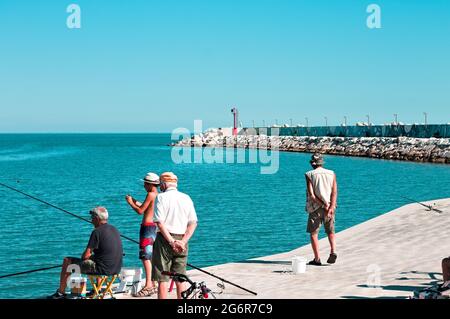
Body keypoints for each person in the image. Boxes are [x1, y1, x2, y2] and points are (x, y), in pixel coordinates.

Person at [48, 207, 123, 299]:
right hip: (116, 268)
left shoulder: (96, 232)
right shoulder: (114, 229)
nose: (91, 220)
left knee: (67, 261)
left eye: (92, 217)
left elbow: (85, 256)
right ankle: (97, 288)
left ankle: (60, 293)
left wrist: (85, 256)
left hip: (103, 269)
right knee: (98, 258)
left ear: (97, 218)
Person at [151, 172, 198, 299]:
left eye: (161, 184)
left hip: (164, 240)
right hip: (182, 239)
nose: (160, 186)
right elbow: (193, 223)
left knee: (162, 278)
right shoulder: (186, 197)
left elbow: (160, 223)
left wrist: (171, 242)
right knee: (180, 278)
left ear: (164, 184)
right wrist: (183, 242)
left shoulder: (161, 197)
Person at [125, 172, 160, 297]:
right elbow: (147, 207)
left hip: (147, 228)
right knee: (152, 256)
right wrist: (134, 200)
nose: (144, 185)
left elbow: (140, 211)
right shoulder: (158, 195)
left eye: (145, 183)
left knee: (145, 257)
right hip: (155, 227)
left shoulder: (150, 194)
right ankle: (154, 283)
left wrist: (130, 203)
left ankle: (148, 284)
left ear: (150, 184)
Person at [305, 153, 338, 266]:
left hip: (315, 208)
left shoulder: (309, 174)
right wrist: (331, 206)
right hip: (330, 207)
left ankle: (317, 259)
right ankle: (333, 251)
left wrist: (323, 205)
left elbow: (312, 195)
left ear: (313, 164)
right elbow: (334, 192)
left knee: (314, 233)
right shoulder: (331, 173)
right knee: (330, 231)